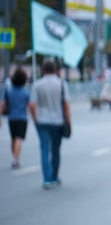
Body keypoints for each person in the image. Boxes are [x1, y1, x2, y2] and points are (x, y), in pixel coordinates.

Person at [27, 59, 71, 189]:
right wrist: (68, 121)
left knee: (44, 149)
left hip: (42, 121)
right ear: (55, 70)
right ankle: (54, 177)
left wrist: (36, 120)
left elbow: (32, 105)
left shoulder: (37, 84)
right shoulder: (62, 84)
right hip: (58, 121)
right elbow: (66, 105)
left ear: (43, 70)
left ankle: (46, 179)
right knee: (56, 150)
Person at [1, 67, 31, 168]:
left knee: (13, 139)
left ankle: (14, 157)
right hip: (22, 118)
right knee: (19, 138)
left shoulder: (9, 91)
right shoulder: (25, 92)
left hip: (12, 118)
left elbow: (3, 105)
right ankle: (15, 159)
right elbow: (30, 105)